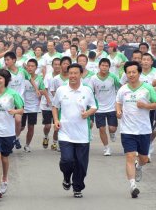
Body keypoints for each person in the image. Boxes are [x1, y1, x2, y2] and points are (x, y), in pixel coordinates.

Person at [52, 63, 97, 198]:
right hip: (65, 132)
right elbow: (54, 106)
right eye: (70, 73)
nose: (72, 76)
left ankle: (77, 187)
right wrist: (56, 120)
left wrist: (87, 114)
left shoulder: (87, 90)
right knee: (67, 160)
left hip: (82, 134)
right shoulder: (61, 90)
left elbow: (94, 106)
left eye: (75, 73)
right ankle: (67, 177)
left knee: (81, 164)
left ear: (81, 74)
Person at [116, 61, 156, 198]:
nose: (131, 74)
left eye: (134, 72)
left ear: (139, 73)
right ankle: (133, 185)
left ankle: (139, 167)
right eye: (128, 72)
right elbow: (118, 102)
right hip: (127, 130)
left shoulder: (147, 88)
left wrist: (146, 106)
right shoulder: (123, 89)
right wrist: (118, 111)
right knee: (130, 156)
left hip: (144, 130)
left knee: (144, 158)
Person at [0, 69, 24, 199]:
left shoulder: (13, 94)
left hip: (8, 132)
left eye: (0, 78)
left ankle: (5, 178)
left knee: (4, 158)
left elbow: (22, 110)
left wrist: (15, 111)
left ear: (6, 81)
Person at [90, 58, 121, 156]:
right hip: (99, 109)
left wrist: (119, 104)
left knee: (112, 128)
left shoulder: (113, 77)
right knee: (102, 129)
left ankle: (112, 134)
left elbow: (119, 89)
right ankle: (106, 148)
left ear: (109, 67)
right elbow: (90, 92)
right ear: (99, 66)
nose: (104, 67)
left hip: (111, 107)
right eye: (102, 65)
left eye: (106, 66)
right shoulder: (93, 78)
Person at [20, 59, 46, 152]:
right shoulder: (22, 76)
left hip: (33, 107)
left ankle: (27, 145)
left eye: (32, 66)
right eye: (28, 66)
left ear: (36, 68)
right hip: (22, 105)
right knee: (21, 126)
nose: (30, 68)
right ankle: (16, 138)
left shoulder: (39, 79)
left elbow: (43, 90)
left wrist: (40, 92)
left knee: (31, 127)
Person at [41, 58, 61, 149]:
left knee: (57, 126)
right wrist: (48, 99)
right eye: (55, 64)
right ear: (52, 66)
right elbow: (44, 89)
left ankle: (54, 143)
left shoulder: (63, 77)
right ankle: (46, 136)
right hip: (47, 104)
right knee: (48, 126)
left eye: (58, 64)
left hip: (58, 105)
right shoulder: (48, 76)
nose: (57, 66)